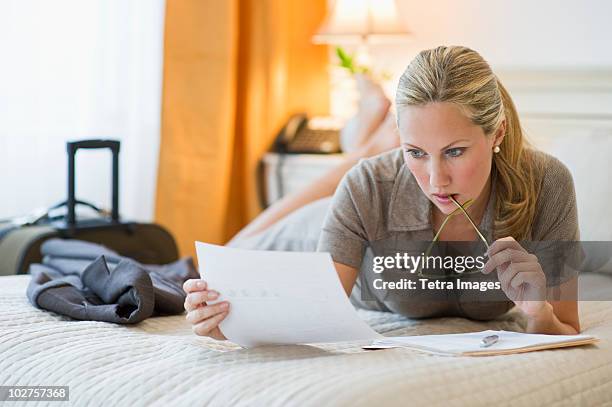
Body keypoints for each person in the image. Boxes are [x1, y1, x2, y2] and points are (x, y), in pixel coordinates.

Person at [183, 46, 581, 340]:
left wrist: (538, 313)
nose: (436, 180)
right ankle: (366, 146)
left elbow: (567, 328)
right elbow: (309, 319)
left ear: (497, 133)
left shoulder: (546, 184)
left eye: (455, 152)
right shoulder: (368, 187)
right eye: (415, 152)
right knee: (223, 255)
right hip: (305, 235)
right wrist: (225, 325)